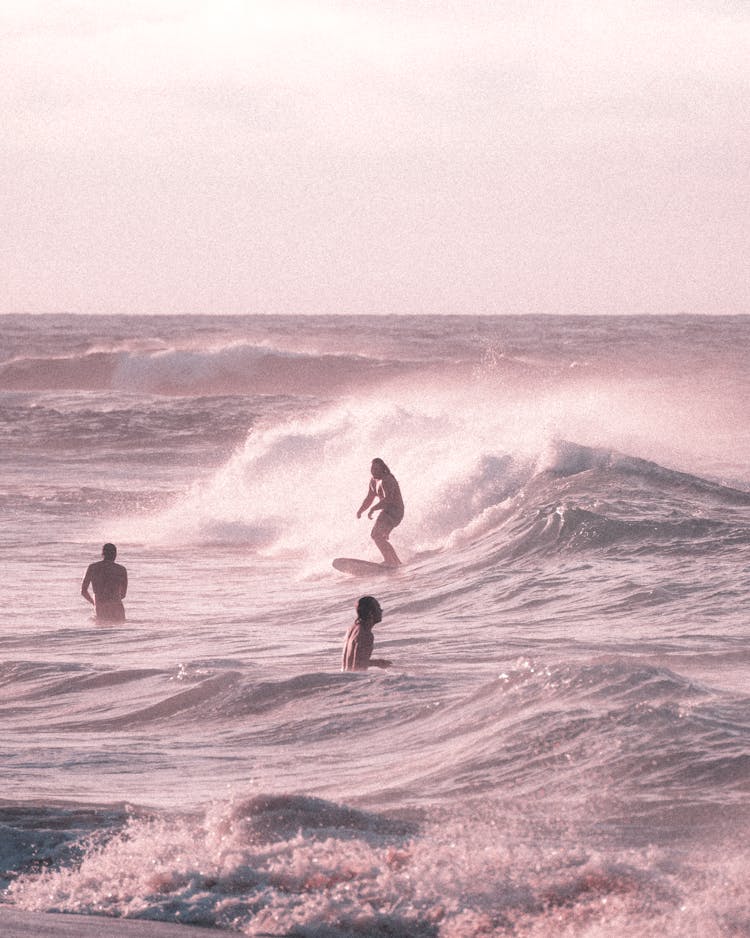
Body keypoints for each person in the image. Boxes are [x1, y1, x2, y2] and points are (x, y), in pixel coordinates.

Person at [356, 457, 404, 567]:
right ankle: (396, 562)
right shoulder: (373, 481)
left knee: (376, 535)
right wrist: (361, 510)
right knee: (379, 537)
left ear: (383, 469)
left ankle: (390, 561)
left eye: (377, 469)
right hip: (387, 512)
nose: (374, 471)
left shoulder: (387, 480)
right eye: (372, 469)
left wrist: (373, 509)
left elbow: (388, 499)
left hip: (395, 511)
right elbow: (369, 498)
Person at [341, 596, 391, 672]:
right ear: (370, 613)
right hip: (355, 681)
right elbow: (358, 667)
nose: (381, 610)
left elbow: (355, 662)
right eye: (378, 607)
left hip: (345, 677)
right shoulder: (365, 634)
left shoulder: (351, 629)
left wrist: (377, 662)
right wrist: (377, 663)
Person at [81, 543, 128, 622]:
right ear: (115, 554)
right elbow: (123, 595)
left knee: (103, 632)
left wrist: (94, 603)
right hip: (117, 607)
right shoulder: (121, 569)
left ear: (102, 554)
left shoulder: (93, 568)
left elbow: (83, 591)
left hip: (100, 606)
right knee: (119, 632)